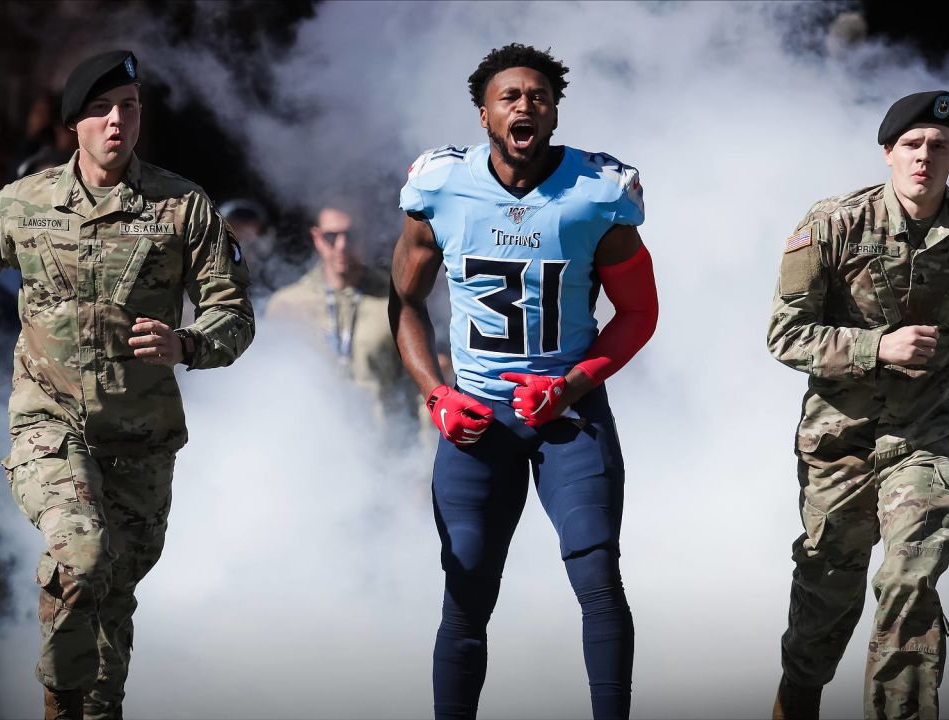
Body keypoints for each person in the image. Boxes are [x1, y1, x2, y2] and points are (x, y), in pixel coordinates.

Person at [0, 50, 254, 720]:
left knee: (112, 594)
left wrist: (187, 344)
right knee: (84, 552)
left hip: (140, 440)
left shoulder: (182, 207)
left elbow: (234, 314)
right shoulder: (22, 204)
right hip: (51, 423)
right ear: (74, 123)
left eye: (128, 107)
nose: (116, 121)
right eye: (102, 109)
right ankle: (58, 702)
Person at [388, 43, 658, 719]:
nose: (524, 105)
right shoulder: (442, 187)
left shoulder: (598, 192)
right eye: (509, 96)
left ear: (556, 111)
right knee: (467, 590)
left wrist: (572, 383)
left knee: (597, 576)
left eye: (537, 95)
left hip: (567, 414)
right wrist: (436, 394)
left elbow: (639, 312)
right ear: (483, 114)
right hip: (477, 416)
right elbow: (404, 304)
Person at [767, 91, 949, 718]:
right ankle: (798, 696)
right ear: (888, 153)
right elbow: (785, 334)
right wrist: (877, 347)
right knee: (828, 588)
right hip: (841, 443)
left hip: (924, 435)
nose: (924, 158)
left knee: (911, 581)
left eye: (938, 147)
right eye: (911, 145)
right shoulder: (832, 225)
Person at [267, 205, 417, 426]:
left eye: (351, 235)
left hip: (386, 444)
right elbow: (270, 388)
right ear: (316, 237)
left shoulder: (397, 298)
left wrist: (427, 451)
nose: (342, 246)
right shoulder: (287, 305)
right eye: (331, 236)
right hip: (312, 442)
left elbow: (419, 386)